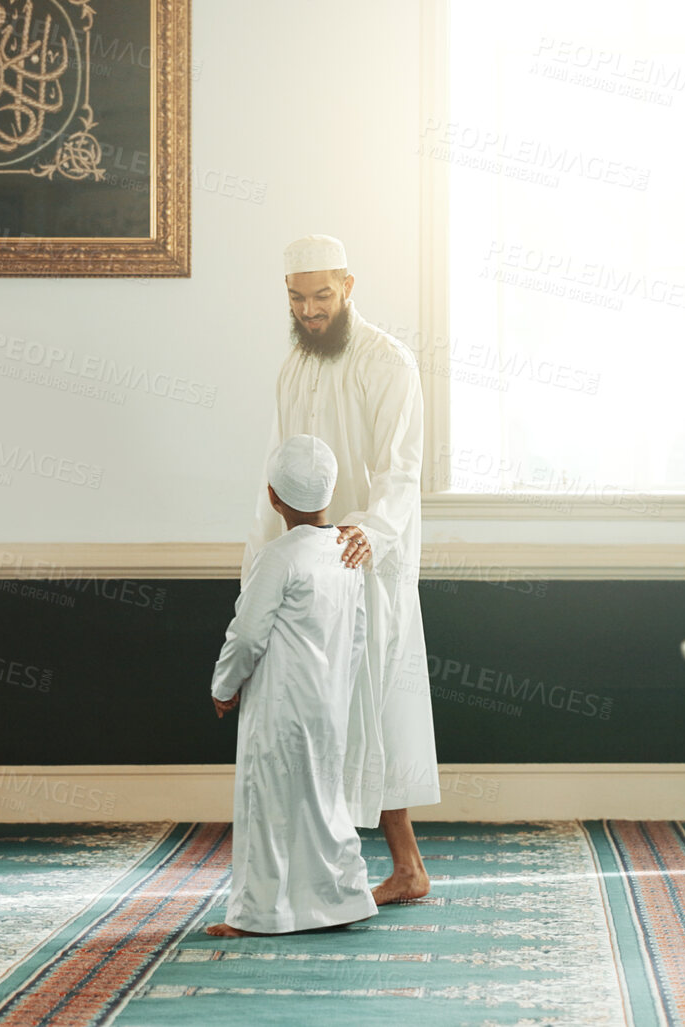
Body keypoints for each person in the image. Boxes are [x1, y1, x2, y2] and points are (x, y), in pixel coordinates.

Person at [244, 234, 438, 905]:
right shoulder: (292, 367)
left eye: (321, 296)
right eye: (297, 299)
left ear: (348, 286)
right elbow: (278, 467)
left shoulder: (388, 362)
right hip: (306, 565)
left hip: (364, 562)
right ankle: (324, 870)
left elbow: (402, 468)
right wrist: (265, 563)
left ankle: (405, 866)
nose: (309, 312)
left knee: (370, 711)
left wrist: (369, 531)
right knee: (313, 715)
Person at [206, 434, 377, 937]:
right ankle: (342, 900)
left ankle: (257, 916)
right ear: (330, 491)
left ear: (274, 496)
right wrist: (338, 691)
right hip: (328, 703)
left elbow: (248, 634)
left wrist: (223, 685)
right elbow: (357, 635)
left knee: (269, 806)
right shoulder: (347, 556)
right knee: (323, 801)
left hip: (281, 707)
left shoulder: (278, 556)